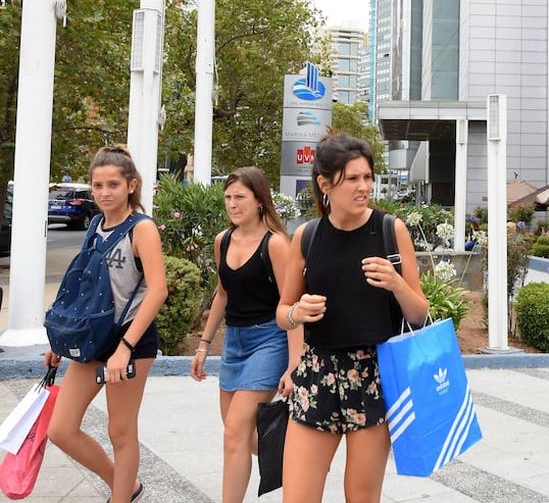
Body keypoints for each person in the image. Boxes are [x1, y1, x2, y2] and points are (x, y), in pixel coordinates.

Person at [276, 133, 428, 502]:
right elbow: (282, 313)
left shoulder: (391, 230)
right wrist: (297, 313)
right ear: (325, 183)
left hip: (372, 375)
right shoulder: (308, 236)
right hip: (317, 374)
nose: (364, 187)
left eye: (367, 177)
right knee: (297, 496)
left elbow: (420, 314)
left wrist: (395, 283)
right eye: (353, 178)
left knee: (360, 496)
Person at [44, 146, 168, 503]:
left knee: (121, 431)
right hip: (91, 338)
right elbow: (81, 286)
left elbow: (157, 291)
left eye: (113, 184)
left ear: (131, 185)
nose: (103, 192)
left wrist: (125, 348)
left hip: (130, 340)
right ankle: (124, 485)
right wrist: (59, 343)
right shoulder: (96, 225)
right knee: (61, 429)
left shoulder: (141, 228)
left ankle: (120, 496)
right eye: (97, 185)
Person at [189, 167, 301, 503]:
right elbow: (222, 294)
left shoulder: (277, 244)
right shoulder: (223, 240)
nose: (232, 204)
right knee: (237, 434)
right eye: (228, 198)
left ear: (259, 201)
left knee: (236, 433)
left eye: (240, 197)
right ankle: (303, 457)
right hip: (234, 343)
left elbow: (291, 306)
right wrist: (204, 345)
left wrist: (294, 363)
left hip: (269, 340)